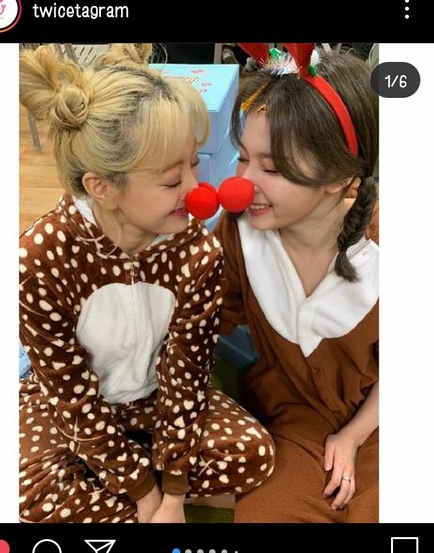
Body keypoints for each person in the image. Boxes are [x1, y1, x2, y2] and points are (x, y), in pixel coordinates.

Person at [19, 43, 274, 524]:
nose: (196, 190)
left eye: (194, 165)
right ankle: (125, 478)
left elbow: (186, 374)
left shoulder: (197, 251)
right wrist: (145, 495)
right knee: (25, 497)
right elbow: (71, 396)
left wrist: (172, 492)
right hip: (73, 409)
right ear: (101, 187)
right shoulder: (38, 261)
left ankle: (119, 482)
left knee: (253, 454)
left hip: (157, 400)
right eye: (171, 180)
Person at [215, 44, 378, 523]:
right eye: (242, 158)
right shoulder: (238, 233)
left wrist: (353, 437)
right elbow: (200, 325)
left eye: (272, 168)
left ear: (339, 176)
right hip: (289, 427)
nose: (243, 183)